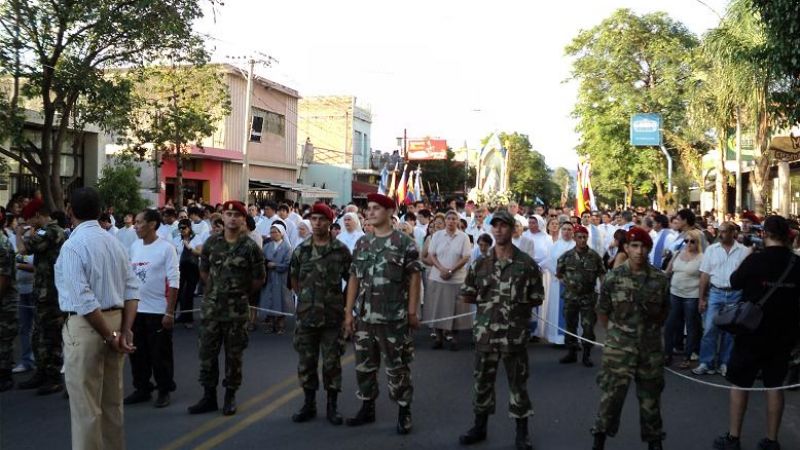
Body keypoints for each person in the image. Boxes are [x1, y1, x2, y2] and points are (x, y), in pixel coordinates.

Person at [55, 187, 140, 450]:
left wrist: (110, 336)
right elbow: (132, 288)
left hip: (88, 327)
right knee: (112, 403)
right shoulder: (114, 242)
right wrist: (123, 331)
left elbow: (83, 299)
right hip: (115, 320)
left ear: (70, 211)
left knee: (86, 408)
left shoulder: (73, 246)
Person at [458, 210, 544, 450]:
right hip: (486, 334)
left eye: (503, 226)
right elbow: (467, 294)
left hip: (514, 336)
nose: (498, 230)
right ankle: (479, 426)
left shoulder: (526, 264)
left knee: (518, 384)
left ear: (512, 229)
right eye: (494, 226)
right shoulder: (480, 263)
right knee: (482, 382)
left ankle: (522, 432)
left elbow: (537, 297)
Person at [713, 216, 800, 450]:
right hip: (783, 334)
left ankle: (733, 437)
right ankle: (771, 440)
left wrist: (747, 258)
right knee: (774, 386)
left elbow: (734, 281)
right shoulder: (796, 263)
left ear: (764, 234)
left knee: (740, 384)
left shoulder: (755, 260)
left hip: (750, 332)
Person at [343, 193, 421, 434]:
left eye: (377, 208)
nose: (371, 212)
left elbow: (414, 278)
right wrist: (348, 312)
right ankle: (368, 407)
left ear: (390, 212)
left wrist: (412, 312)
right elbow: (354, 277)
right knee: (364, 367)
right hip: (365, 317)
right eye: (369, 208)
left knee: (397, 368)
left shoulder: (404, 243)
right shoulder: (362, 243)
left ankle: (404, 411)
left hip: (393, 318)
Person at [591, 227, 669, 450]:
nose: (639, 251)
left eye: (644, 246)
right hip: (619, 351)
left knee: (651, 402)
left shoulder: (659, 280)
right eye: (634, 246)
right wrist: (618, 334)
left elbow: (664, 313)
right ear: (626, 248)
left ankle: (654, 443)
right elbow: (603, 313)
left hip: (649, 351)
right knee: (610, 400)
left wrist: (646, 333)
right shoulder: (613, 278)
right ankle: (599, 440)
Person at [188, 201, 266, 416]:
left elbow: (259, 279)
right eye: (228, 214)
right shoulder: (212, 243)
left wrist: (238, 293)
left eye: (236, 215)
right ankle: (208, 396)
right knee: (207, 354)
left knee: (234, 356)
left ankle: (230, 396)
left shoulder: (250, 247)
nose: (231, 218)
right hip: (211, 309)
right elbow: (204, 272)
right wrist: (216, 291)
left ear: (243, 219)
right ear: (222, 216)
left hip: (236, 311)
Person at [289, 203, 352, 426]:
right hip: (306, 316)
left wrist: (342, 304)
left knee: (332, 363)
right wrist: (307, 300)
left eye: (321, 219)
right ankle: (309, 403)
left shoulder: (341, 251)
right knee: (306, 361)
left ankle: (332, 406)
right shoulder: (301, 250)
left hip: (332, 317)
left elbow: (352, 280)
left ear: (330, 222)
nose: (316, 223)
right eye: (314, 219)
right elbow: (294, 281)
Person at [124, 209, 180, 408]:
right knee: (137, 353)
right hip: (136, 310)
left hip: (158, 311)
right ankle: (142, 388)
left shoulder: (166, 248)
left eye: (139, 222)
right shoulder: (134, 246)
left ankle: (164, 389)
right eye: (135, 222)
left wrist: (169, 311)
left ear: (152, 224)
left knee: (160, 354)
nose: (135, 226)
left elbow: (174, 282)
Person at [15, 198, 67, 395]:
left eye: (29, 218)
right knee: (39, 334)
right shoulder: (45, 231)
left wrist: (20, 234)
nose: (28, 223)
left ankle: (53, 377)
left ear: (38, 215)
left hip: (52, 293)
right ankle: (42, 372)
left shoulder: (52, 230)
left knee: (50, 335)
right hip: (42, 290)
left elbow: (23, 249)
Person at [694, 222, 749, 377]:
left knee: (730, 332)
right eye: (720, 231)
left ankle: (725, 362)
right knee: (710, 329)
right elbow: (705, 274)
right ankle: (706, 362)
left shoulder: (743, 251)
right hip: (716, 292)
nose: (721, 234)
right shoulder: (711, 250)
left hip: (735, 293)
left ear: (733, 233)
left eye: (725, 231)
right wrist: (701, 298)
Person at [556, 224, 605, 367]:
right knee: (570, 326)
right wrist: (568, 284)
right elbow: (559, 274)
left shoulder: (594, 256)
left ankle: (586, 355)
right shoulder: (566, 256)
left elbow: (602, 273)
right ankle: (571, 353)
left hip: (588, 297)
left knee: (588, 327)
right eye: (579, 237)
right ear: (574, 238)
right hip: (571, 297)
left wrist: (603, 289)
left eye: (585, 237)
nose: (582, 240)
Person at [424, 210, 473, 351]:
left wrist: (451, 270)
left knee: (456, 311)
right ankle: (438, 338)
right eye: (449, 218)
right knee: (437, 309)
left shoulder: (463, 237)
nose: (451, 221)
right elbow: (432, 254)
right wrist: (441, 269)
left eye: (454, 219)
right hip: (437, 277)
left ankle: (454, 339)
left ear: (458, 221)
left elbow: (465, 257)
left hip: (456, 279)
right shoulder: (437, 235)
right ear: (445, 221)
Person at [663, 229, 703, 369]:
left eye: (692, 241)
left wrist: (703, 298)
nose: (689, 244)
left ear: (698, 243)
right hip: (675, 293)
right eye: (686, 241)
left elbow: (704, 279)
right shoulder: (678, 253)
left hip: (692, 295)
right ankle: (667, 354)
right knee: (670, 324)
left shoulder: (702, 257)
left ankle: (688, 356)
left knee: (692, 326)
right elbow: (668, 272)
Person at [540, 221, 576, 345]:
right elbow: (549, 261)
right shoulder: (554, 246)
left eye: (569, 229)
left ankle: (571, 338)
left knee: (572, 311)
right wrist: (558, 275)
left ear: (573, 232)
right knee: (557, 310)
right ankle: (557, 338)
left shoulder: (576, 246)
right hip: (557, 282)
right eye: (564, 229)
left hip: (573, 284)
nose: (567, 232)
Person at [260, 223, 292, 335]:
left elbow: (288, 264)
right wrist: (266, 264)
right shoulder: (267, 246)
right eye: (272, 232)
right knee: (269, 299)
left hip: (281, 277)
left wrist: (276, 265)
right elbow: (261, 259)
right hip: (269, 277)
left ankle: (280, 325)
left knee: (281, 300)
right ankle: (270, 324)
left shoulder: (287, 247)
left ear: (281, 233)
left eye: (276, 232)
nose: (273, 234)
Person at [175, 219, 202, 328]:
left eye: (184, 228)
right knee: (178, 292)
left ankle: (188, 318)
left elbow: (200, 252)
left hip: (192, 268)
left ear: (189, 227)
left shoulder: (196, 238)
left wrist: (189, 247)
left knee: (189, 293)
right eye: (180, 228)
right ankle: (178, 316)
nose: (182, 230)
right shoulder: (177, 239)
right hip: (179, 268)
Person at [0, 224, 18, 391]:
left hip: (5, 300)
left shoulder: (3, 244)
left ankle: (5, 376)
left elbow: (4, 277)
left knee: (4, 339)